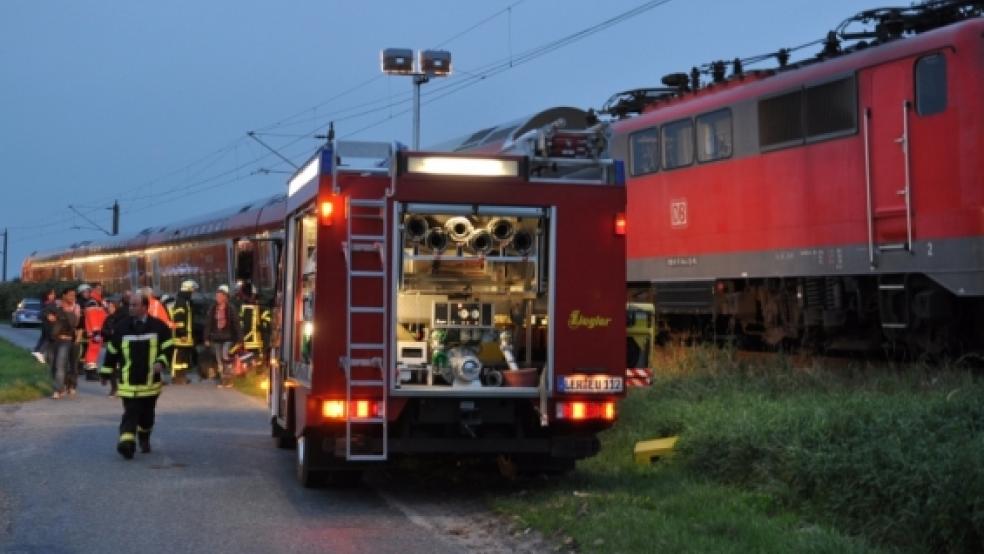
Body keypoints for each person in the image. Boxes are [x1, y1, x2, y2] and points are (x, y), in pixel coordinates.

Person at [102, 293, 173, 459]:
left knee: (147, 416)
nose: (131, 308)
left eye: (135, 305)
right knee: (131, 412)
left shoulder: (159, 326)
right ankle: (126, 443)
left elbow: (168, 347)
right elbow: (112, 351)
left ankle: (144, 436)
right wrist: (106, 371)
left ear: (144, 307)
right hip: (128, 381)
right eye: (130, 305)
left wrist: (161, 362)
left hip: (150, 382)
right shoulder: (122, 327)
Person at [45, 286, 81, 399]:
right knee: (53, 365)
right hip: (53, 339)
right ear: (64, 295)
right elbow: (43, 313)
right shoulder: (55, 305)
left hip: (68, 339)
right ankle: (61, 386)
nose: (72, 298)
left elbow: (76, 323)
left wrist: (64, 313)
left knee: (66, 364)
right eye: (70, 295)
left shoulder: (75, 308)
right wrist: (48, 315)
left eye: (74, 296)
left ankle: (62, 388)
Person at [204, 284, 241, 388]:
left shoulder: (231, 309)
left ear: (225, 296)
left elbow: (236, 324)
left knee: (226, 356)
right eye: (217, 296)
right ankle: (223, 379)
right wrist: (206, 338)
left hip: (228, 337)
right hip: (216, 338)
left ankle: (229, 380)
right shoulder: (213, 308)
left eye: (220, 295)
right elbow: (209, 323)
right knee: (219, 359)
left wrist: (239, 339)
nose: (218, 298)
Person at [99, 293, 129, 397]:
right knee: (110, 367)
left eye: (111, 305)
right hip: (111, 344)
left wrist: (115, 332)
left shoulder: (124, 317)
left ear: (116, 305)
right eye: (108, 305)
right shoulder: (109, 318)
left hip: (122, 345)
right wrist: (109, 332)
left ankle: (123, 387)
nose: (108, 307)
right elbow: (103, 331)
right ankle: (114, 388)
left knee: (123, 367)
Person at [169, 280, 198, 384]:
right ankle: (176, 377)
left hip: (186, 337)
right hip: (180, 337)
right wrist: (182, 333)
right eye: (193, 290)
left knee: (184, 358)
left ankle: (182, 376)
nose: (193, 293)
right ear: (188, 289)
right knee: (179, 357)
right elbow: (179, 318)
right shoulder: (181, 302)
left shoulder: (186, 301)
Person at [82, 283, 108, 381]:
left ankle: (91, 371)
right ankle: (91, 373)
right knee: (92, 351)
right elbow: (92, 317)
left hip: (98, 330)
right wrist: (96, 331)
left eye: (101, 288)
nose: (99, 290)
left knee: (94, 351)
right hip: (95, 331)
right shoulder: (93, 302)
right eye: (97, 289)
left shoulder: (98, 301)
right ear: (92, 290)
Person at [32, 288, 57, 364]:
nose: (54, 295)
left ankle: (37, 351)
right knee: (48, 338)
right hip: (49, 325)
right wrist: (49, 315)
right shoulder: (49, 304)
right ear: (47, 295)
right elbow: (43, 313)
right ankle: (40, 352)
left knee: (43, 338)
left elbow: (40, 314)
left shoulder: (45, 303)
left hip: (45, 325)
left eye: (54, 294)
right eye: (52, 294)